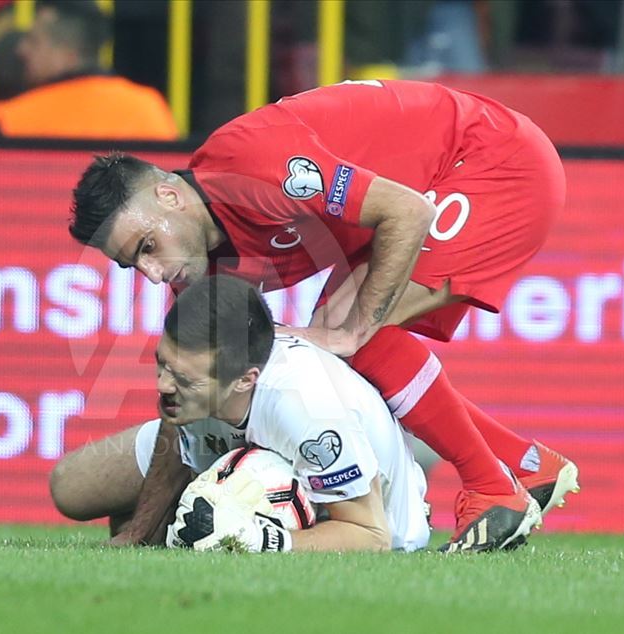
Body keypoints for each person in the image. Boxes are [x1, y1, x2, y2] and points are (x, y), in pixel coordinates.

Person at [67, 79, 579, 552]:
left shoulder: (253, 164)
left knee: (354, 336)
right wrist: (140, 531)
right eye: (132, 264)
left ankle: (492, 487)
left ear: (169, 196)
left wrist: (352, 331)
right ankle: (524, 465)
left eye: (148, 246)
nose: (153, 273)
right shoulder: (194, 266)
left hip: (491, 159)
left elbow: (408, 213)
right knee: (342, 343)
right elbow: (187, 397)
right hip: (425, 186)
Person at [51, 275, 435, 552]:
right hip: (230, 430)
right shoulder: (198, 384)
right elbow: (175, 426)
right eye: (162, 364)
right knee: (71, 488)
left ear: (244, 379)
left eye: (182, 378)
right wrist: (139, 531)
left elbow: (371, 535)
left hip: (373, 520)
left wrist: (260, 540)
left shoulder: (308, 409)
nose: (163, 385)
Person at [0, 0, 176, 139]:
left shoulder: (19, 117)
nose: (22, 50)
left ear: (68, 52)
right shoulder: (148, 108)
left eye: (34, 41)